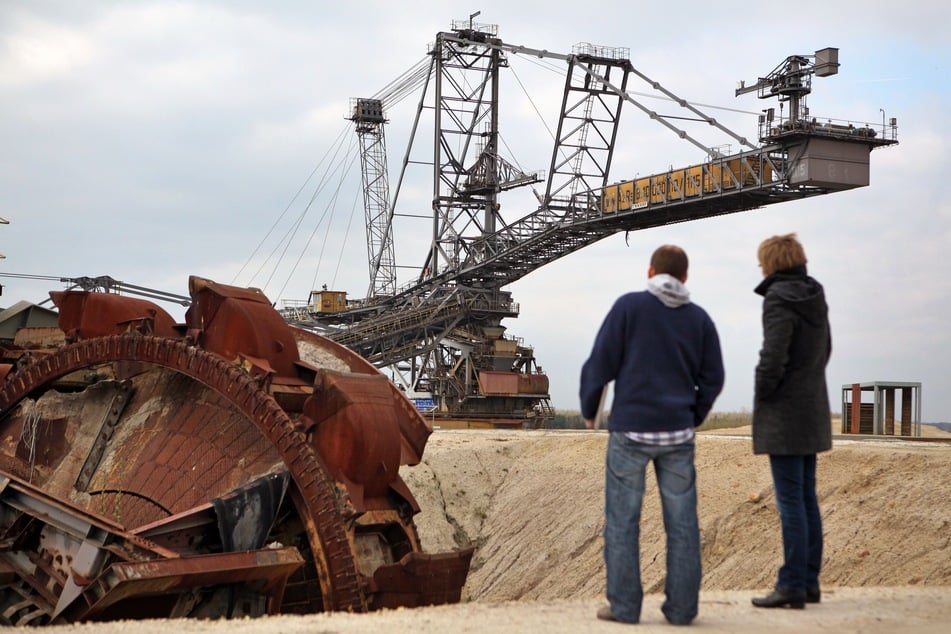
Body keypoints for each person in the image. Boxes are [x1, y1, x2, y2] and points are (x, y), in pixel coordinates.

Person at [579, 244, 725, 625]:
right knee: (682, 524)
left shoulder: (628, 307)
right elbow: (714, 377)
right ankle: (682, 610)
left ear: (650, 273)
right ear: (685, 278)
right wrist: (692, 415)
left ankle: (625, 608)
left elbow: (600, 363)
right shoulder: (700, 320)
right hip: (677, 433)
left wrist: (589, 410)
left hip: (630, 431)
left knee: (623, 523)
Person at [750, 233, 832, 609]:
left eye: (761, 262)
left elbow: (773, 356)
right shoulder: (815, 297)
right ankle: (809, 581)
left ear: (772, 263)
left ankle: (792, 585)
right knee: (806, 497)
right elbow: (824, 350)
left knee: (790, 502)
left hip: (784, 413)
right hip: (811, 406)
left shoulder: (779, 298)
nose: (760, 268)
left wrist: (764, 392)